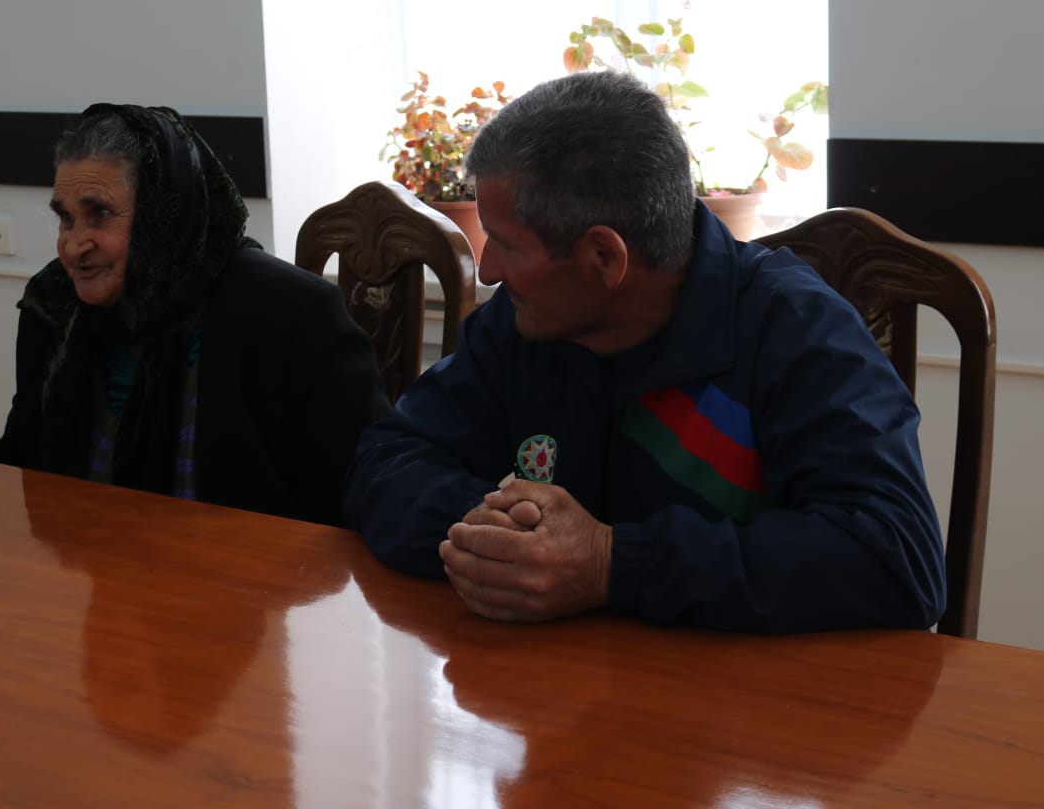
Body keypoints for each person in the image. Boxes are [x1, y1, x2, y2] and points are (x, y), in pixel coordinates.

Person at [344, 71, 945, 631]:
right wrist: (499, 534)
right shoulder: (521, 323)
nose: (489, 271)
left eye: (504, 243)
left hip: (743, 701)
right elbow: (386, 461)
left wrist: (610, 563)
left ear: (604, 257)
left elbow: (896, 557)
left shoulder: (799, 330)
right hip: (556, 684)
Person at [0, 103, 388, 526]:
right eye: (66, 218)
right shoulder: (55, 307)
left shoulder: (290, 314)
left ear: (162, 215)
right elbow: (35, 473)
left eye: (99, 214)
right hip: (100, 586)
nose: (73, 246)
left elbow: (365, 494)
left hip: (255, 595)